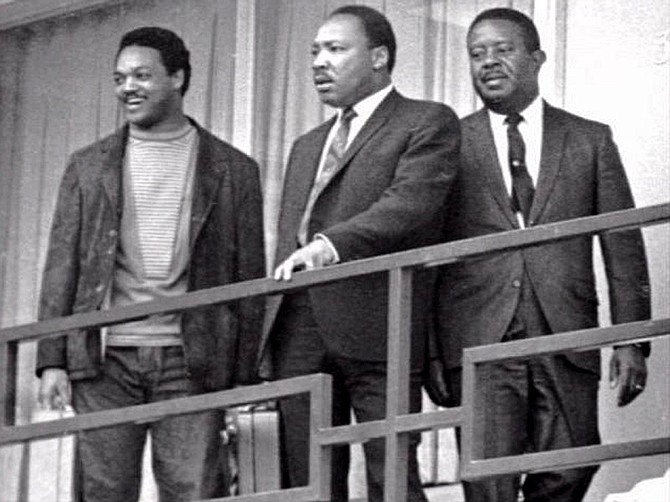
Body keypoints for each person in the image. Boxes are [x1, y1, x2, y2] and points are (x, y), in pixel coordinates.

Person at [35, 27, 264, 502]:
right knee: (103, 492)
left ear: (177, 77)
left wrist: (244, 377)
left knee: (195, 490)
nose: (127, 88)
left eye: (142, 75)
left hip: (193, 361)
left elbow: (248, 278)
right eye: (119, 78)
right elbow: (62, 265)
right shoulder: (87, 166)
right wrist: (51, 360)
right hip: (103, 362)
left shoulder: (233, 169)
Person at [433, 8, 651, 502]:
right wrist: (430, 354)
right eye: (476, 53)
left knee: (572, 463)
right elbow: (428, 254)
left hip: (565, 331)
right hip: (480, 338)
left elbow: (622, 243)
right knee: (488, 478)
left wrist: (631, 340)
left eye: (502, 50)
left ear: (537, 58)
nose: (488, 62)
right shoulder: (447, 144)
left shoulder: (589, 139)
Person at [257, 5, 460, 502]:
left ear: (379, 57)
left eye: (335, 48)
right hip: (298, 328)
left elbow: (409, 205)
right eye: (313, 51)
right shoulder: (306, 145)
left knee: (389, 479)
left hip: (379, 326)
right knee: (309, 485)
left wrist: (329, 247)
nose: (318, 62)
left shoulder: (425, 121)